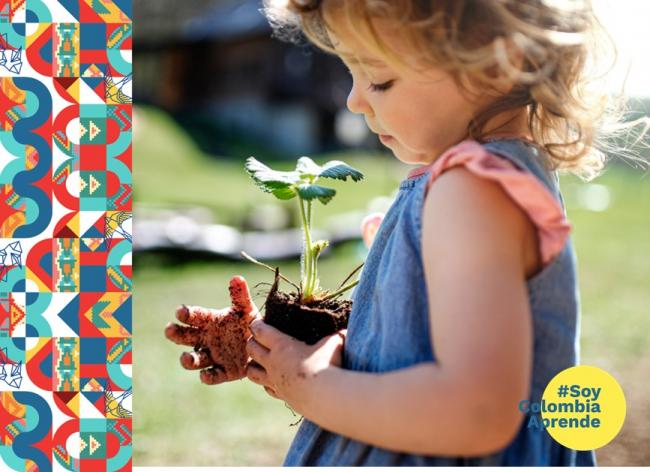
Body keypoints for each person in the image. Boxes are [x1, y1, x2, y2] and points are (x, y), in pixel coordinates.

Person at [165, 0, 645, 465]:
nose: (353, 99)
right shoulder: (479, 181)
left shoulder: (474, 190)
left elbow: (476, 412)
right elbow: (408, 350)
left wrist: (312, 386)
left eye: (379, 78)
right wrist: (277, 352)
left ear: (496, 62)